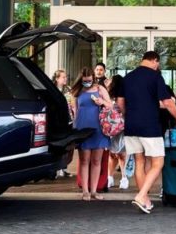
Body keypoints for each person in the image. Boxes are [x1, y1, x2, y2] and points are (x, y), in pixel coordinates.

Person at [118, 51, 176, 213]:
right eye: (158, 63)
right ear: (154, 61)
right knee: (158, 163)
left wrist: (126, 115)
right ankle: (141, 195)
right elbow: (168, 103)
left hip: (131, 126)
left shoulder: (127, 78)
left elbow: (120, 102)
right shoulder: (155, 76)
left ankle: (145, 200)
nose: (158, 66)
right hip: (149, 126)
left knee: (139, 162)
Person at [70, 66, 113, 200]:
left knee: (96, 160)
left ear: (93, 78)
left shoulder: (100, 89)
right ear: (80, 79)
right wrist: (74, 130)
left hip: (98, 128)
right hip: (82, 128)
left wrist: (101, 102)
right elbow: (75, 112)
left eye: (89, 80)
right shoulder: (76, 91)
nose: (87, 82)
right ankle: (85, 191)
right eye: (85, 80)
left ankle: (94, 191)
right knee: (84, 160)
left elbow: (110, 105)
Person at [107, 74, 128, 190]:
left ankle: (110, 177)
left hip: (111, 127)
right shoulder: (123, 95)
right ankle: (123, 178)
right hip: (121, 126)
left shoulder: (108, 95)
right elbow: (123, 110)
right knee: (122, 154)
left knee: (112, 154)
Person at [52, 69, 75, 179]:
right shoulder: (52, 90)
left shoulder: (68, 90)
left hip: (68, 120)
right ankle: (55, 169)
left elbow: (73, 104)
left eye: (66, 77)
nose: (65, 79)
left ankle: (64, 167)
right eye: (63, 77)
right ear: (57, 79)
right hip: (57, 121)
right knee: (58, 145)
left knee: (68, 145)